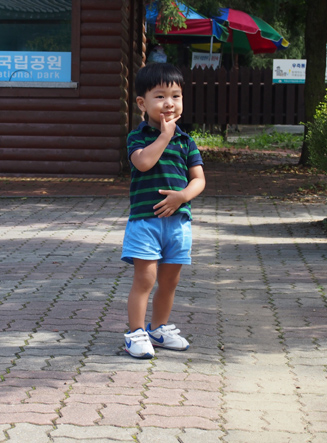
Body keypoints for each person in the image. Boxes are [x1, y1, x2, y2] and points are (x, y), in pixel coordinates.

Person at [121, 63, 206, 359]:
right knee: (145, 279)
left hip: (178, 224)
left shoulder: (187, 141)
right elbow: (143, 163)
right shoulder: (139, 137)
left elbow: (199, 179)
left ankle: (158, 329)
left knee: (170, 280)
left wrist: (182, 196)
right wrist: (165, 136)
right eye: (160, 97)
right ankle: (135, 333)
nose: (169, 103)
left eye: (176, 96)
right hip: (145, 223)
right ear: (143, 103)